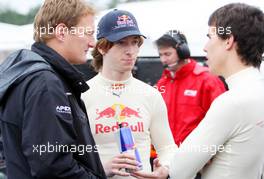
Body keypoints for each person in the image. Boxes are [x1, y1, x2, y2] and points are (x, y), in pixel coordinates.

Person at [132, 3, 264, 179]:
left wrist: (172, 165)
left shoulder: (230, 101)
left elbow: (179, 170)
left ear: (228, 41)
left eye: (210, 37)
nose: (205, 47)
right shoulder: (256, 91)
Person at [0, 0, 106, 178]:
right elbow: (53, 166)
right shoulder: (45, 82)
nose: (92, 43)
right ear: (62, 32)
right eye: (88, 33)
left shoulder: (28, 73)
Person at [81, 9, 176, 179]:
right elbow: (68, 158)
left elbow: (167, 147)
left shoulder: (150, 95)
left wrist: (166, 167)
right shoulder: (82, 94)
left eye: (135, 42)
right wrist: (101, 169)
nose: (130, 50)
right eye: (122, 43)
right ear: (102, 47)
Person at [155, 30, 226, 147]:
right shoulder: (162, 83)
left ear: (183, 52)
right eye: (161, 55)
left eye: (167, 54)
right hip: (167, 157)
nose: (163, 60)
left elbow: (222, 123)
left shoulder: (207, 81)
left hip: (198, 157)